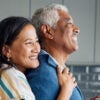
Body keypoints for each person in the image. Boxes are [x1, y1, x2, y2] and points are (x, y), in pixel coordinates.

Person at [0, 16, 76, 100]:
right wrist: (66, 91)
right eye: (28, 43)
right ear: (7, 51)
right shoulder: (13, 78)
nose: (37, 49)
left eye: (36, 41)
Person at [25, 3, 84, 100]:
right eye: (69, 24)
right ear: (48, 31)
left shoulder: (54, 70)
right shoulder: (43, 75)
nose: (77, 30)